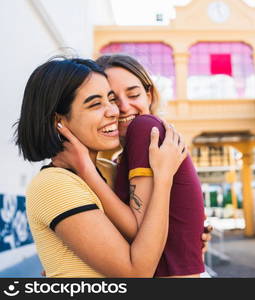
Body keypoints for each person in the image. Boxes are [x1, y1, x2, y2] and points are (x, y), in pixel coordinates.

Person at [15, 57, 187, 277]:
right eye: (95, 104)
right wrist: (164, 178)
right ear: (59, 121)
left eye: (110, 99)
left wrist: (188, 234)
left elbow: (146, 233)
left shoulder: (108, 170)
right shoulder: (55, 184)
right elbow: (137, 273)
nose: (115, 111)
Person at [57, 54, 207, 277]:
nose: (124, 107)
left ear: (149, 95)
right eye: (112, 99)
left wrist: (86, 170)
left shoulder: (145, 128)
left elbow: (138, 229)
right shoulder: (121, 158)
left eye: (133, 94)